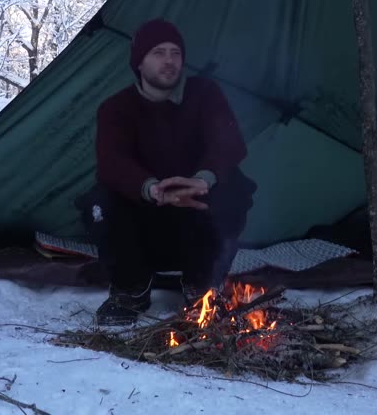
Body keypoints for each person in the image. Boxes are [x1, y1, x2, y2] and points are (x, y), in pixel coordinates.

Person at [84, 18, 255, 326]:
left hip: (197, 214)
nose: (169, 61)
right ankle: (131, 288)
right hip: (145, 216)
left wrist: (202, 181)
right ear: (139, 62)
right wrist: (151, 188)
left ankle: (202, 286)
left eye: (175, 53)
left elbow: (229, 143)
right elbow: (112, 161)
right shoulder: (116, 108)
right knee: (99, 203)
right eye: (158, 53)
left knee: (237, 188)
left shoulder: (204, 94)